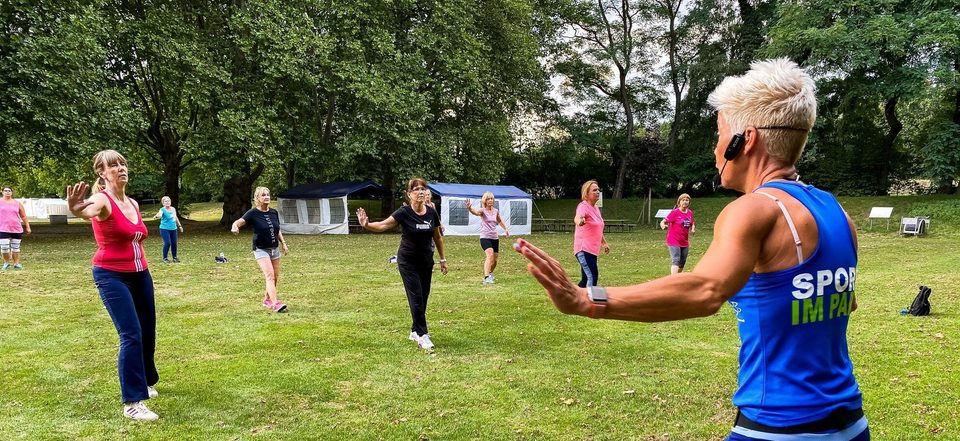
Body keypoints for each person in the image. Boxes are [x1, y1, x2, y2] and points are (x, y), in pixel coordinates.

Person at [515, 59, 868, 440]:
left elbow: (704, 290)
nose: (715, 150)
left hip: (778, 428)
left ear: (743, 140)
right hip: (850, 424)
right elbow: (845, 303)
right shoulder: (837, 211)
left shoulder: (753, 210)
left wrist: (587, 299)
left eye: (718, 135)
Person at [65, 150, 161, 421]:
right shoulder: (101, 200)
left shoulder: (132, 202)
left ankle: (145, 381)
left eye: (123, 164)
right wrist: (76, 209)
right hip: (111, 275)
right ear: (102, 173)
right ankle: (132, 402)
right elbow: (88, 211)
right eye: (114, 165)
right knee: (130, 334)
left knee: (148, 331)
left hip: (141, 274)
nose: (121, 168)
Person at [357, 178, 448, 351]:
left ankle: (415, 330)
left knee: (424, 297)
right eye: (416, 189)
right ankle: (422, 335)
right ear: (409, 194)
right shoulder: (403, 213)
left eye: (423, 189)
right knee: (417, 297)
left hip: (426, 262)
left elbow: (437, 237)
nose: (420, 192)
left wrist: (443, 259)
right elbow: (383, 225)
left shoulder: (431, 213)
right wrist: (367, 225)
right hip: (407, 262)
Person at [231, 187, 289, 313]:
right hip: (260, 249)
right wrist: (234, 227)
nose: (267, 197)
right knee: (270, 276)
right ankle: (275, 304)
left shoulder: (274, 212)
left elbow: (277, 229)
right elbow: (238, 222)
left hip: (274, 248)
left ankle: (267, 299)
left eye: (268, 194)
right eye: (263, 195)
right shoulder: (253, 213)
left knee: (276, 277)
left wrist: (283, 243)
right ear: (257, 198)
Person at [464, 192, 510, 284]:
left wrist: (505, 229)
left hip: (494, 237)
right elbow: (475, 212)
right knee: (490, 255)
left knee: (495, 259)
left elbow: (499, 220)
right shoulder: (483, 211)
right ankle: (486, 278)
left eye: (491, 199)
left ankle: (490, 273)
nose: (490, 200)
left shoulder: (496, 211)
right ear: (485, 201)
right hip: (485, 237)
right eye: (488, 199)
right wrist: (469, 208)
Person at [572, 180, 609, 287]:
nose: (598, 192)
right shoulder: (583, 206)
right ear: (587, 194)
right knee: (592, 276)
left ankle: (571, 298)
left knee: (585, 280)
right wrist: (579, 222)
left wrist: (604, 243)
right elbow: (577, 217)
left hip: (592, 251)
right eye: (594, 190)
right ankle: (590, 302)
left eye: (598, 190)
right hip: (583, 249)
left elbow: (597, 228)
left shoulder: (596, 208)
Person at [660, 193, 696, 274]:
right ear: (679, 202)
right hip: (673, 240)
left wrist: (693, 229)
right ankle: (674, 279)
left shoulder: (690, 213)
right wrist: (663, 226)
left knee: (682, 262)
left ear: (689, 203)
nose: (685, 202)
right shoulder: (675, 212)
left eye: (687, 200)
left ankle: (678, 278)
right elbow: (663, 221)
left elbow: (692, 223)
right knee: (676, 260)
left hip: (684, 241)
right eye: (683, 200)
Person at [0, 186, 31, 270]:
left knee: (16, 247)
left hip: (16, 228)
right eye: (5, 191)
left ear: (12, 192)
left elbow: (23, 216)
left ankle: (16, 263)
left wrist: (28, 227)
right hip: (2, 228)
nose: (7, 192)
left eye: (9, 191)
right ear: (2, 192)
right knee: (4, 247)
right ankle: (6, 263)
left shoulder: (17, 203)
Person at [151, 196, 183, 263]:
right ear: (163, 203)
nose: (167, 202)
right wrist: (157, 216)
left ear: (170, 202)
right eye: (165, 201)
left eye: (168, 201)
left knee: (174, 243)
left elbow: (176, 217)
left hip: (174, 229)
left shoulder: (173, 209)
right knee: (168, 243)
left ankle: (174, 257)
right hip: (164, 229)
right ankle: (165, 258)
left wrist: (179, 226)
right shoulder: (162, 209)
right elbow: (160, 214)